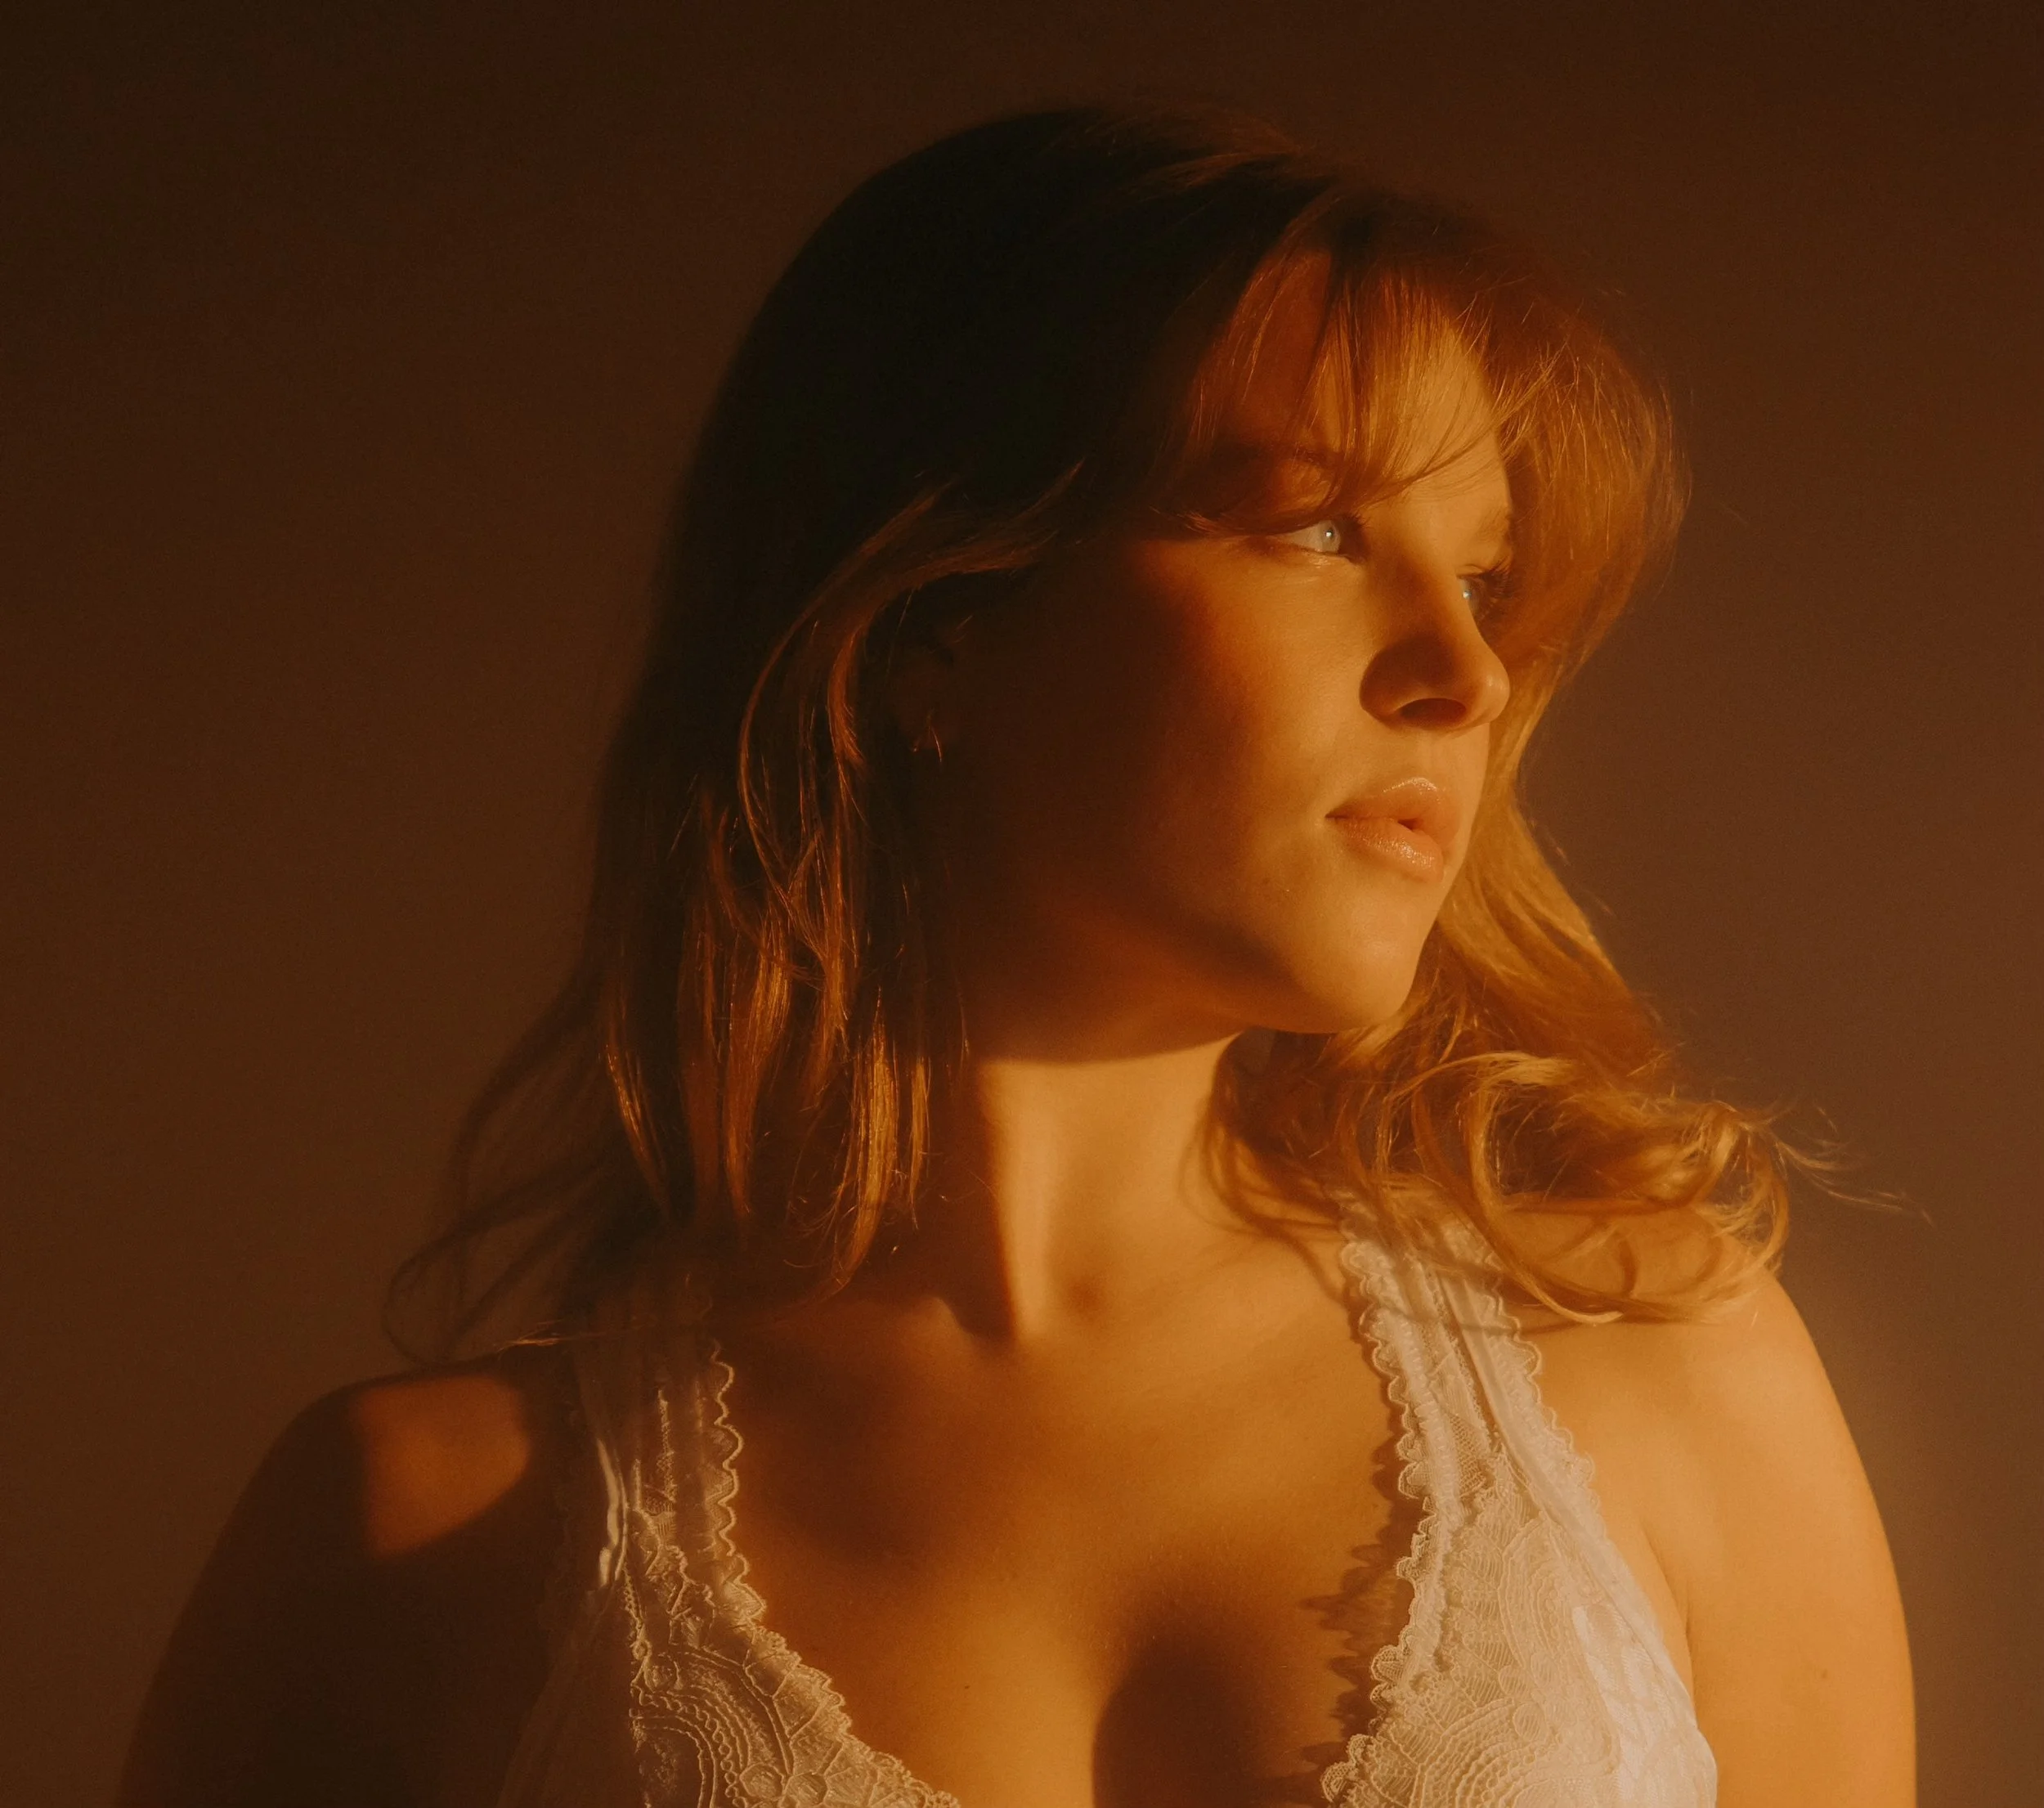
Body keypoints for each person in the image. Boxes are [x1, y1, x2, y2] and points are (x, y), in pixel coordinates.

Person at [118, 105, 1915, 1808]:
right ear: (931, 624)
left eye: (1485, 580)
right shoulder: (417, 1536)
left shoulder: (1654, 1366)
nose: (1464, 672)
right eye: (1313, 527)